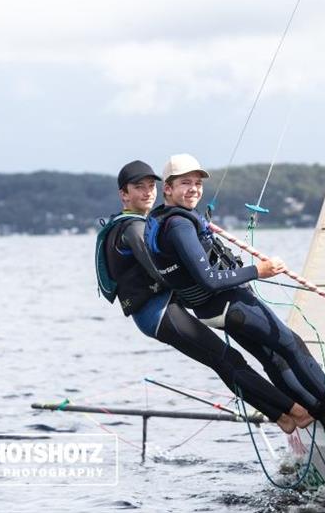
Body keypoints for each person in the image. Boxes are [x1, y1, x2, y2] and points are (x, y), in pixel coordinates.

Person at [144, 154, 325, 436]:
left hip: (214, 310)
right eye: (185, 183)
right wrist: (259, 270)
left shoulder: (165, 221)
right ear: (168, 189)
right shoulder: (179, 225)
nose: (194, 189)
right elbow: (210, 279)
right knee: (290, 346)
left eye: (197, 183)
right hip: (228, 303)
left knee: (275, 359)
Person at [95, 160, 313, 433]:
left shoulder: (137, 223)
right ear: (123, 194)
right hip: (158, 313)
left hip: (161, 309)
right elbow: (165, 274)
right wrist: (201, 263)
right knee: (226, 359)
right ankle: (296, 411)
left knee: (224, 361)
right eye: (139, 188)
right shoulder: (133, 228)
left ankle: (280, 416)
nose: (148, 192)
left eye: (151, 186)